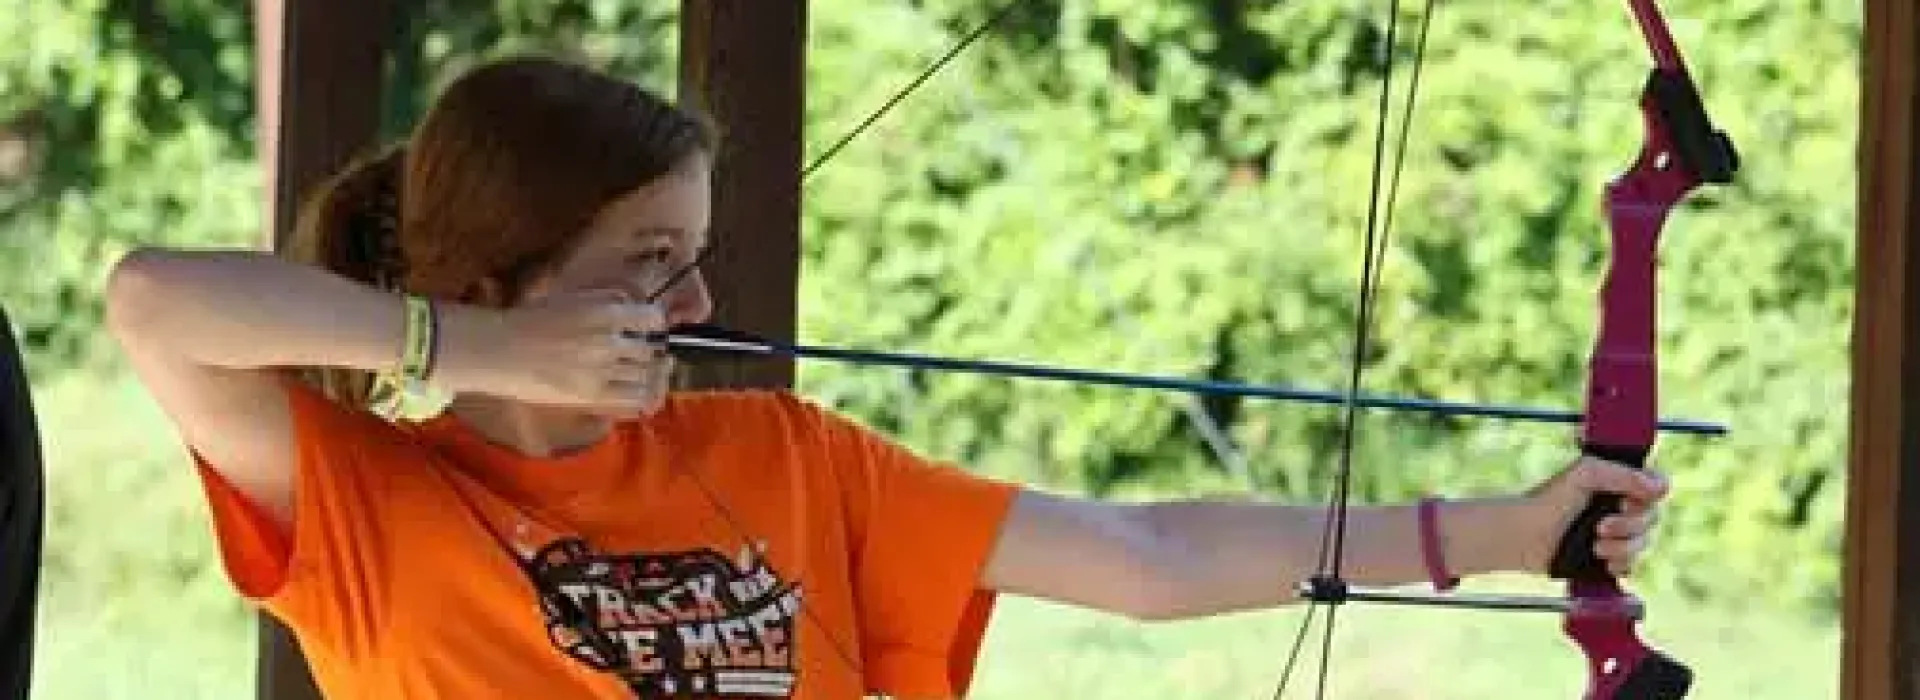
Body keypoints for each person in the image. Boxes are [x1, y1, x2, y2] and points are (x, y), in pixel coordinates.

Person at [104, 56, 1668, 699]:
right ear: (487, 279)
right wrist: (488, 360)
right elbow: (153, 300)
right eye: (650, 261)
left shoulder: (784, 451)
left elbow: (1147, 556)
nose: (701, 298)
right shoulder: (376, 508)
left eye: (697, 254)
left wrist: (1503, 535)